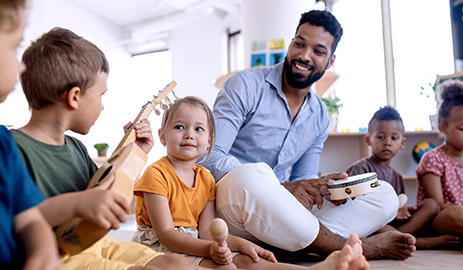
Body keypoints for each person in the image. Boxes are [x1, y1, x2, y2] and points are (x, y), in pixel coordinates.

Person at [198, 9, 416, 260]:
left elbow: (304, 179)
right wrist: (280, 188)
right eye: (299, 44)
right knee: (251, 175)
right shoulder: (245, 85)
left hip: (280, 214)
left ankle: (288, 244)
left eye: (318, 51)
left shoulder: (320, 115)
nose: (304, 55)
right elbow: (210, 157)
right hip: (232, 205)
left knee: (384, 194)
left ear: (330, 61)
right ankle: (353, 247)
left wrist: (324, 188)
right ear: (291, 43)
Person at [11, 26, 219, 270]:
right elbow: (14, 219)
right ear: (74, 97)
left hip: (95, 244)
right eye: (101, 96)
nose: (102, 107)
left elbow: (107, 192)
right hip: (58, 255)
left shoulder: (76, 148)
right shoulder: (14, 148)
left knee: (177, 264)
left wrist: (137, 152)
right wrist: (79, 203)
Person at [132, 96, 369, 269]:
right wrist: (210, 250)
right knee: (193, 265)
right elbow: (166, 235)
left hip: (193, 242)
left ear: (209, 142)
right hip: (157, 248)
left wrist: (242, 244)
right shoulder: (155, 175)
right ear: (162, 135)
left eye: (198, 129)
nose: (189, 134)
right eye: (179, 127)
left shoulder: (205, 178)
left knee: (248, 260)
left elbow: (206, 231)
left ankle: (321, 269)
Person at [0, 1, 64, 269]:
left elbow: (30, 218)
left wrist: (43, 253)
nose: (22, 66)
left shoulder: (3, 144)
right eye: (15, 47)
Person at [346, 106, 459, 249]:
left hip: (393, 223)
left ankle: (398, 236)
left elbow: (400, 202)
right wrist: (390, 211)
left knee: (431, 205)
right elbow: (353, 207)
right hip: (373, 222)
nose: (387, 142)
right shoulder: (361, 169)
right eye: (381, 137)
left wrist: (403, 209)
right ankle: (418, 242)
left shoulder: (397, 177)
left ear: (402, 143)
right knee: (377, 226)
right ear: (368, 140)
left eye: (394, 138)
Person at [416, 79, 463, 255]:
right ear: (443, 128)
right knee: (460, 215)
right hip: (439, 220)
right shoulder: (432, 158)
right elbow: (436, 203)